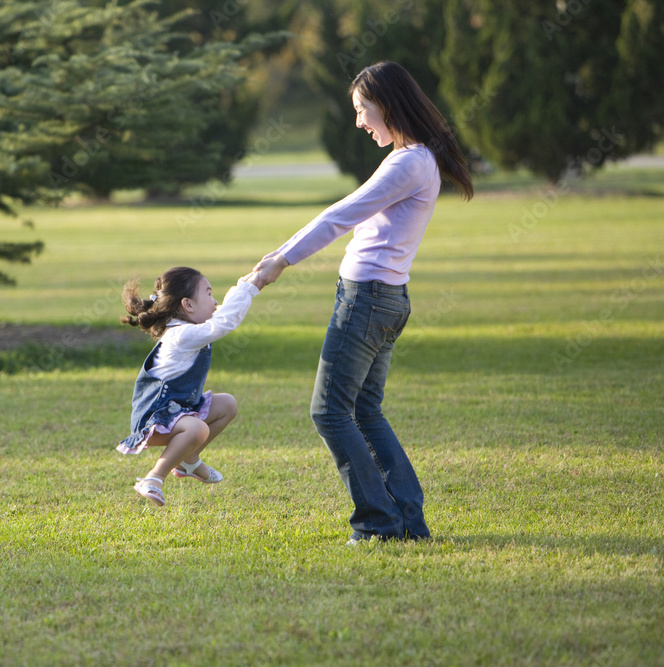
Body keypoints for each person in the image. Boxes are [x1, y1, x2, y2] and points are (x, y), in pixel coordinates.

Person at [252, 61, 474, 544]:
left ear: (387, 104)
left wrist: (280, 260)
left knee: (330, 411)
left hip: (368, 300)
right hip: (383, 298)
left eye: (362, 109)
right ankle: (407, 524)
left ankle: (377, 524)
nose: (358, 121)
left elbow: (341, 215)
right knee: (365, 412)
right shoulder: (415, 158)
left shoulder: (408, 162)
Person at [118, 266, 262, 507]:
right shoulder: (181, 335)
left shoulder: (189, 330)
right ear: (188, 305)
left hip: (179, 410)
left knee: (227, 404)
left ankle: (188, 460)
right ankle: (154, 477)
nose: (214, 301)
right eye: (208, 293)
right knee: (198, 429)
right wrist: (248, 288)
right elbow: (224, 323)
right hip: (154, 418)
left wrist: (246, 281)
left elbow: (222, 317)